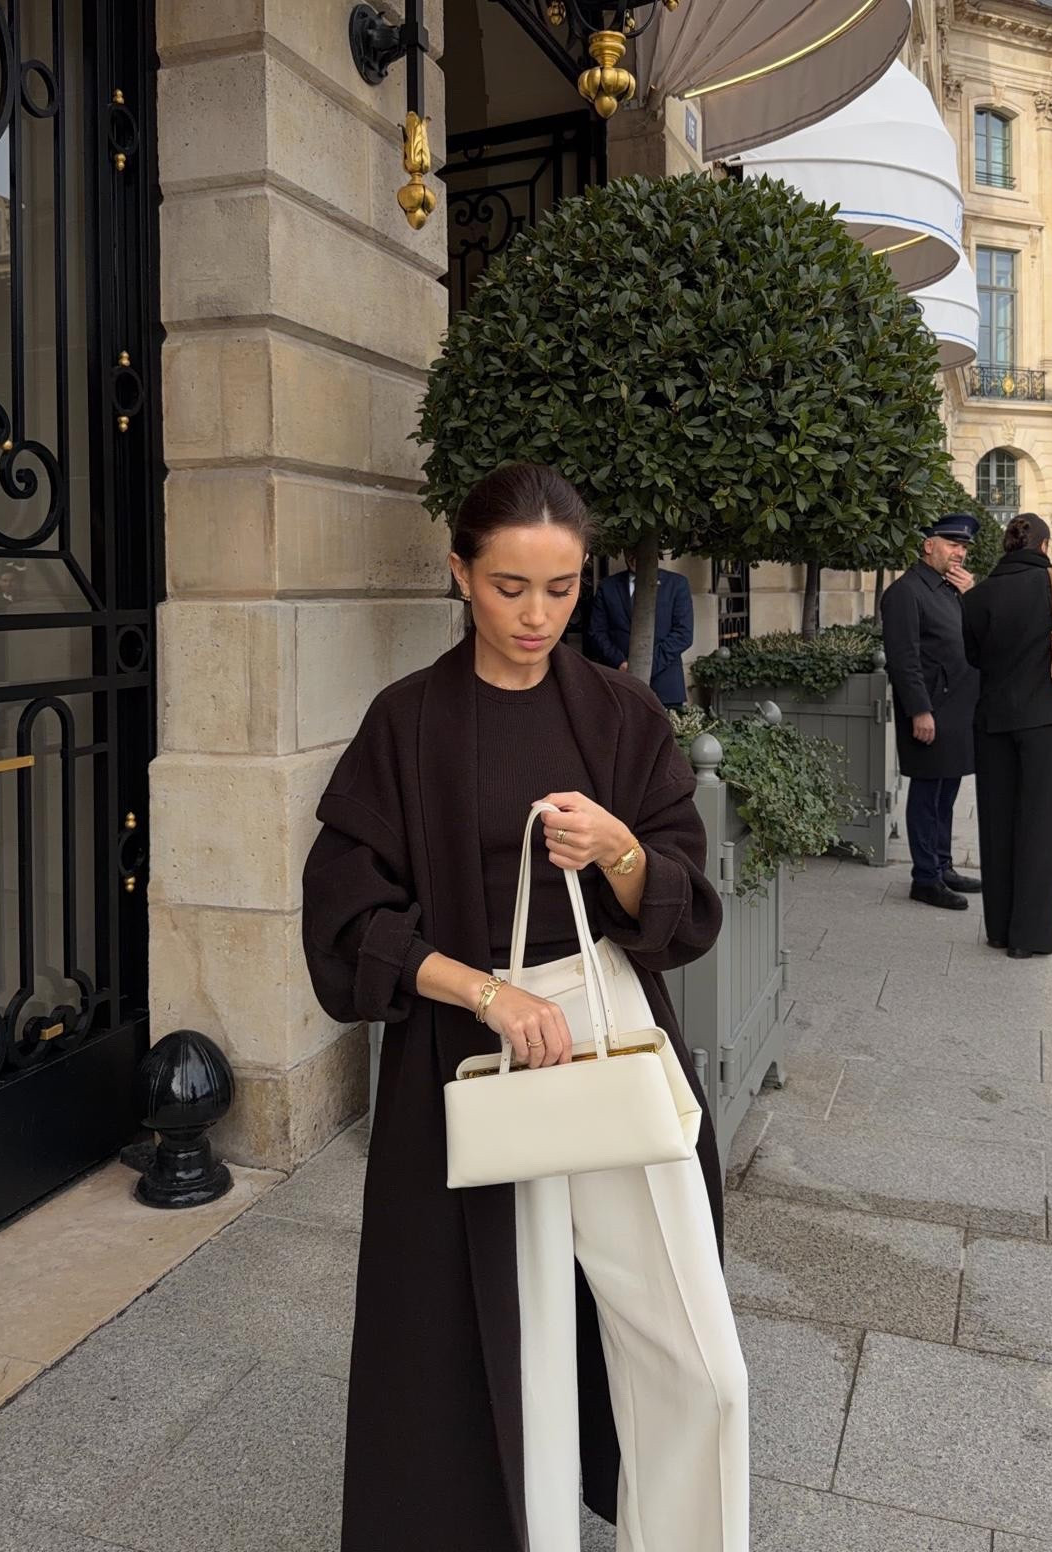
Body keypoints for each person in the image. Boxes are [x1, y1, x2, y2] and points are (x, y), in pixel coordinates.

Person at [302, 463, 749, 1552]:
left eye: (559, 588)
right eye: (509, 587)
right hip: (470, 1048)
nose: (536, 616)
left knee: (699, 1361)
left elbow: (687, 902)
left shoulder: (620, 714)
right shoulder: (405, 723)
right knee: (514, 1356)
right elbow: (347, 912)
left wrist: (621, 849)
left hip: (610, 1027)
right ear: (459, 572)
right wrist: (485, 991)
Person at [961, 512, 1052, 958]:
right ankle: (1033, 936)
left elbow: (974, 658)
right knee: (1040, 826)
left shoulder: (978, 595)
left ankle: (1000, 930)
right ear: (1043, 546)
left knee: (997, 822)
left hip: (994, 721)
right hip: (1047, 721)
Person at [880, 513, 983, 910]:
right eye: (953, 545)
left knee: (946, 792)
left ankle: (943, 865)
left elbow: (976, 635)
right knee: (926, 793)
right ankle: (925, 877)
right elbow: (903, 659)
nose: (960, 553)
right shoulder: (906, 592)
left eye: (963, 548)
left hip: (958, 708)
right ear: (929, 546)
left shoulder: (952, 588)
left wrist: (972, 592)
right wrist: (919, 711)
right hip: (931, 710)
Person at [588, 549, 694, 708]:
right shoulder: (607, 586)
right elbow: (596, 633)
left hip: (665, 687)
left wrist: (644, 665)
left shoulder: (677, 584)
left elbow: (683, 634)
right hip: (618, 684)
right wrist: (620, 662)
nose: (634, 556)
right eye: (630, 550)